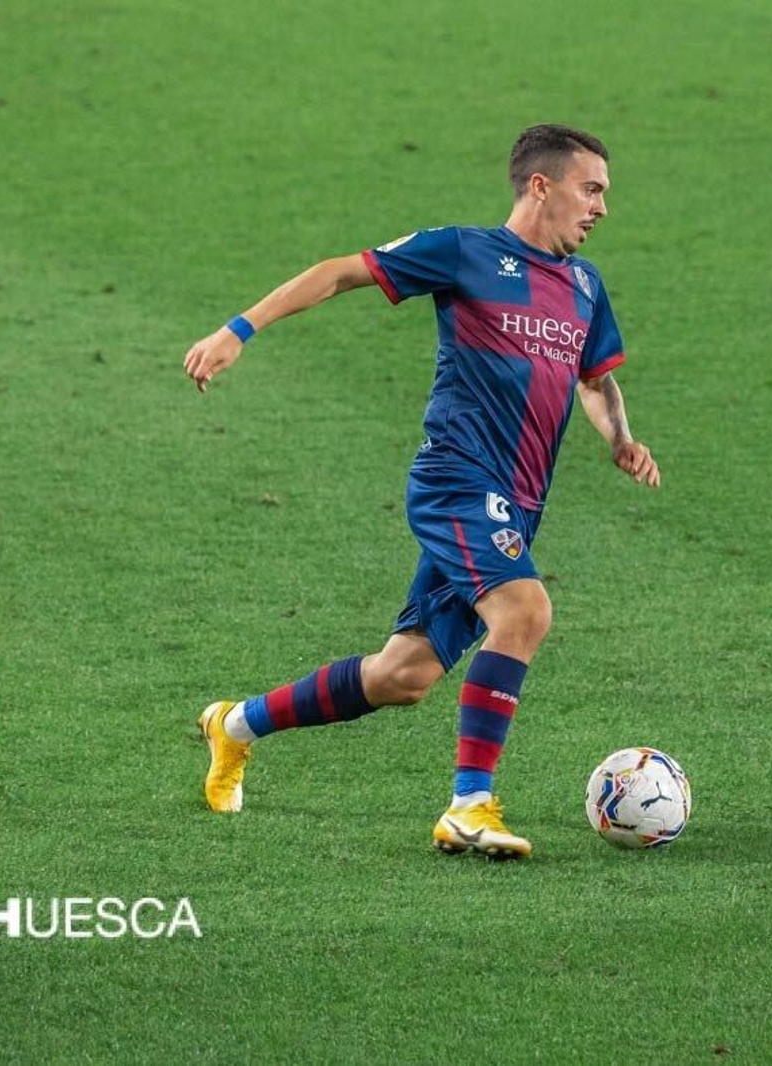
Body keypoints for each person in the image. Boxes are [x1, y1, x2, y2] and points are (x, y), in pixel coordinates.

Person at [181, 123, 660, 859]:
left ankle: (234, 726)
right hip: (457, 481)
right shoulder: (465, 252)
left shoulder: (585, 287)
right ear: (542, 185)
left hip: (518, 504)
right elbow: (342, 271)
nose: (601, 207)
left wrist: (621, 438)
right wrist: (238, 329)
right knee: (526, 610)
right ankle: (471, 803)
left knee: (401, 675)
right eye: (591, 189)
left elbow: (595, 380)